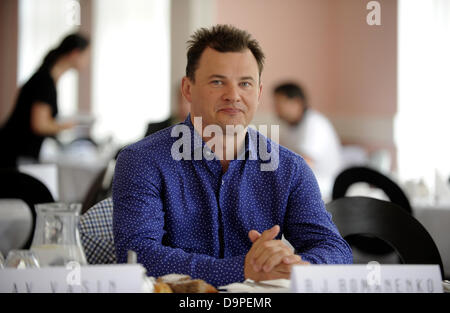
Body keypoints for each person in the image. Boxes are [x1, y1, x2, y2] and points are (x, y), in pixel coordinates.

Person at [112, 25, 352, 287]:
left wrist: (296, 267)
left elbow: (334, 248)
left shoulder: (290, 169)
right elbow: (136, 255)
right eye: (217, 82)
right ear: (188, 89)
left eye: (245, 84)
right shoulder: (141, 161)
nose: (233, 96)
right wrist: (243, 269)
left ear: (258, 93)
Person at [0, 33, 90, 168]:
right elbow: (40, 125)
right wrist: (68, 125)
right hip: (12, 153)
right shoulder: (45, 81)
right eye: (87, 55)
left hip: (16, 151)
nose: (88, 61)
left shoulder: (47, 77)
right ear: (75, 53)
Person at [273, 83, 343, 198]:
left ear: (297, 102)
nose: (276, 109)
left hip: (323, 185)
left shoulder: (314, 123)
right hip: (306, 181)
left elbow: (305, 165)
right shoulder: (288, 125)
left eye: (279, 104)